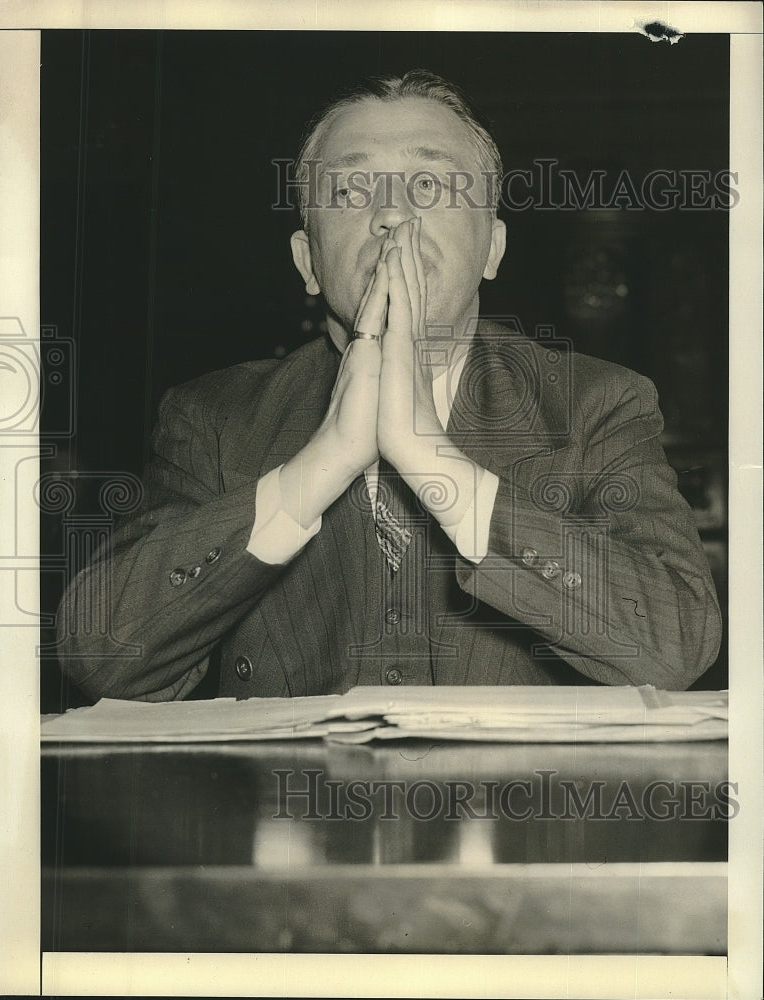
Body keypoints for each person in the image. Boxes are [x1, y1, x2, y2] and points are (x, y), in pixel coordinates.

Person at [58, 70, 721, 702]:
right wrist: (320, 465)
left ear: (492, 248)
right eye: (351, 191)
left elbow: (676, 646)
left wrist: (432, 461)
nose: (392, 215)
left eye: (429, 186)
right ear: (308, 261)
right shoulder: (213, 417)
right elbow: (102, 655)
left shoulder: (597, 405)